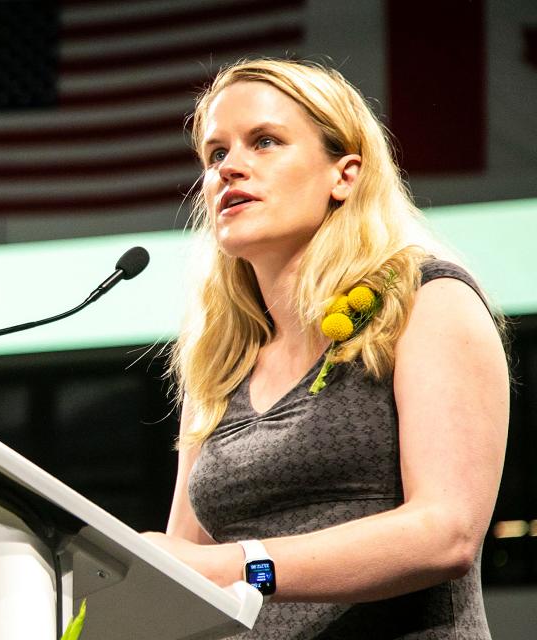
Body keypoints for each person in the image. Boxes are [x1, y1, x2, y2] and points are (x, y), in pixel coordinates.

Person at [141, 58, 509, 638]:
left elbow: (447, 533)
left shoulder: (425, 301)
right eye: (215, 155)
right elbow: (183, 576)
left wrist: (237, 565)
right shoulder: (220, 363)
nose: (229, 168)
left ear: (344, 175)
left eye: (264, 142)